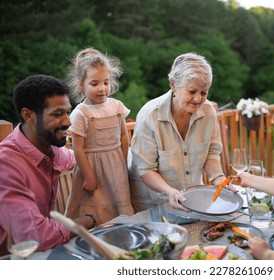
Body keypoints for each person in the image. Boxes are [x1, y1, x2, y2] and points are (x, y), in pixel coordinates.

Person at [0, 75, 95, 257]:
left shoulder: (49, 148)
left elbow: (77, 159)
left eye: (68, 112)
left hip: (43, 253)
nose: (68, 122)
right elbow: (34, 236)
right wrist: (88, 220)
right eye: (58, 114)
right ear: (28, 115)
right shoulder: (6, 165)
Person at [130, 52, 227, 212]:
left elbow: (211, 153)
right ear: (173, 84)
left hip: (193, 198)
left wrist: (219, 179)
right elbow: (146, 169)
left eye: (204, 93)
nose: (198, 99)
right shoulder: (150, 116)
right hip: (154, 203)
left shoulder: (208, 112)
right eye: (192, 91)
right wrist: (170, 192)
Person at [65, 47, 134, 225]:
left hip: (116, 166)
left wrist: (123, 163)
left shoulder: (116, 106)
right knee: (94, 205)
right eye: (94, 84)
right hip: (92, 168)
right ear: (82, 85)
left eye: (106, 82)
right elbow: (77, 149)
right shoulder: (81, 113)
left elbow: (124, 137)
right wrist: (89, 176)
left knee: (120, 204)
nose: (102, 88)